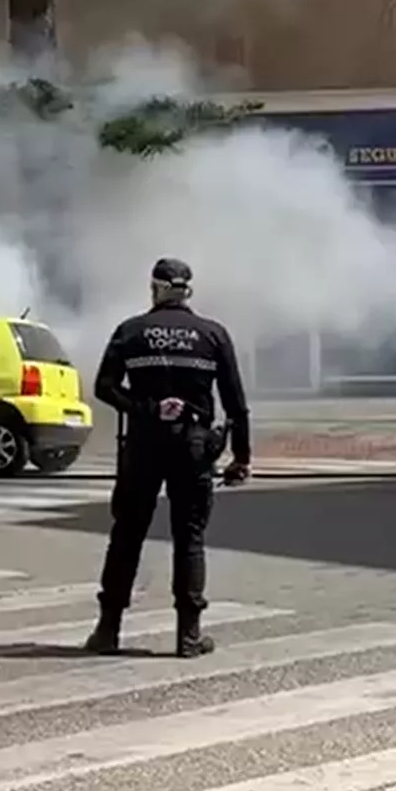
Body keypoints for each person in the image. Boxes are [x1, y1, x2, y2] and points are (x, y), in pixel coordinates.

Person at [85, 257, 250, 659]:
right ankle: (188, 637)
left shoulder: (131, 331)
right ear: (188, 291)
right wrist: (241, 458)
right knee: (189, 538)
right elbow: (236, 405)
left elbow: (104, 387)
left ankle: (108, 632)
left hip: (144, 445)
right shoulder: (213, 334)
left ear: (155, 288)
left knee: (127, 534)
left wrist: (144, 408)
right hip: (194, 449)